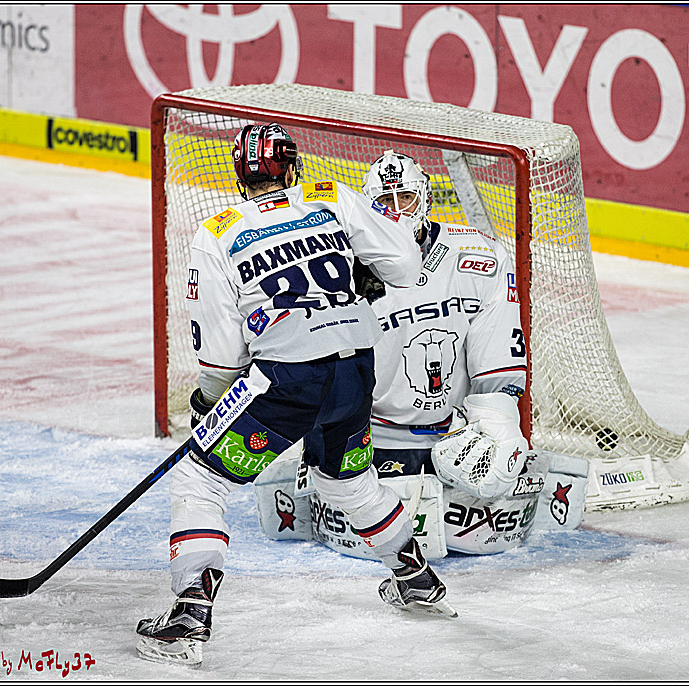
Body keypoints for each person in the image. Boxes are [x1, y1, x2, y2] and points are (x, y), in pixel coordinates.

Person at [135, 125, 451, 668]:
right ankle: (414, 575)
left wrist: (211, 402)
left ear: (240, 176)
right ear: (294, 167)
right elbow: (405, 265)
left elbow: (219, 353)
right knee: (345, 480)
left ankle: (189, 614)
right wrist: (360, 267)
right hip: (355, 370)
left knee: (199, 476)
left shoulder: (217, 232)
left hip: (285, 380)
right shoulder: (331, 196)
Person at [253, 150, 589, 559]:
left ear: (425, 198)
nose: (397, 211)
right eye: (384, 201)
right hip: (369, 438)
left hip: (456, 437)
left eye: (406, 198)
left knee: (480, 526)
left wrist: (499, 424)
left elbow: (498, 348)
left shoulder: (479, 256)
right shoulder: (340, 266)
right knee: (386, 526)